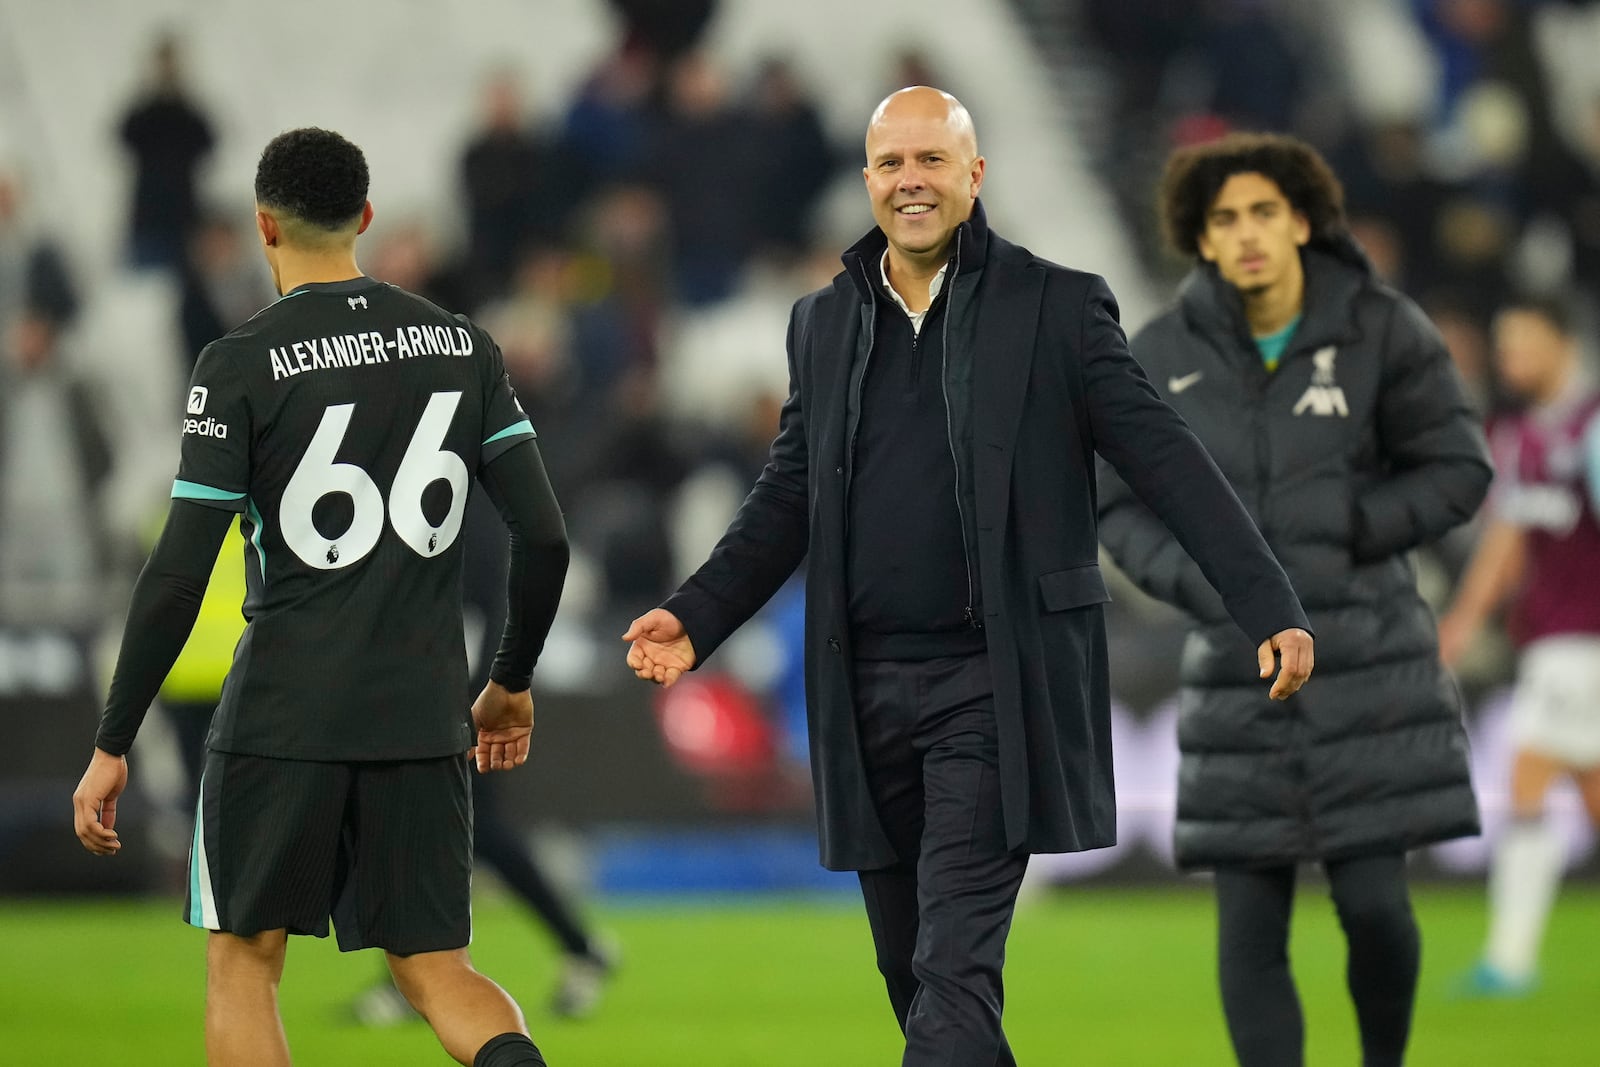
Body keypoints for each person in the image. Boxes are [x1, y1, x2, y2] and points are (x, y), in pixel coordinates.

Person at [623, 87, 1315, 1065]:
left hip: (995, 686)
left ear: (973, 174)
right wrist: (696, 617)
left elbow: (1169, 463)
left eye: (931, 160)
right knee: (912, 976)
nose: (911, 179)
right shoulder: (821, 325)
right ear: (866, 180)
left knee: (952, 969)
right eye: (892, 163)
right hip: (860, 692)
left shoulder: (1058, 307)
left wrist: (1267, 604)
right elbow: (788, 501)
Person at [71, 128, 568, 1067]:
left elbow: (178, 572)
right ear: (366, 218)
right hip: (423, 713)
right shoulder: (464, 347)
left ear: (264, 225)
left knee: (244, 963)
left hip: (282, 717)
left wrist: (112, 740)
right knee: (437, 968)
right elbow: (544, 535)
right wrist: (509, 680)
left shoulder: (239, 364)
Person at [1097, 132, 1491, 1067]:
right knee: (1249, 921)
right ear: (1200, 239)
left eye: (1265, 213)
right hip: (1238, 667)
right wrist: (1206, 583)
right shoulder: (1157, 353)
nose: (1246, 235)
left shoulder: (1383, 329)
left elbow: (1460, 468)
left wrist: (1349, 524)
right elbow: (1113, 502)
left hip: (1367, 657)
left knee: (1376, 908)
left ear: (1303, 221)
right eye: (1225, 219)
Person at [1438, 295, 1600, 997]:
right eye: (1504, 346)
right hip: (1550, 642)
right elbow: (1506, 537)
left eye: (1524, 343)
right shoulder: (1518, 435)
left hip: (1585, 640)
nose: (1511, 359)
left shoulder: (1592, 429)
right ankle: (1509, 959)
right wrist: (1462, 621)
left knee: (1528, 770)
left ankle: (1509, 960)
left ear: (1563, 343)